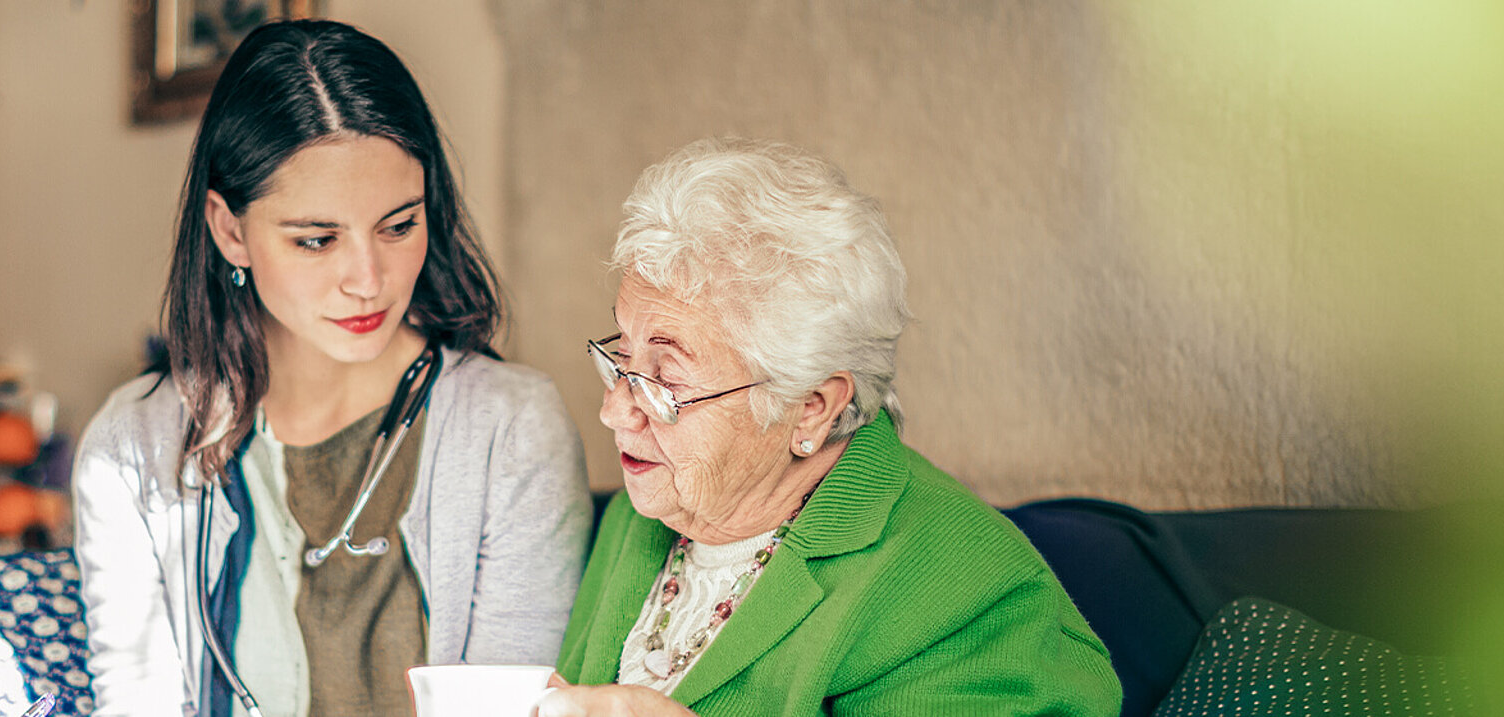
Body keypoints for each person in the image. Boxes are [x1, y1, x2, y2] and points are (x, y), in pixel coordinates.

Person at [72, 20, 591, 717]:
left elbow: (507, 709)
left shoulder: (513, 430)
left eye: (399, 225)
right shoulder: (131, 449)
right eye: (317, 240)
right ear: (231, 230)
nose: (368, 279)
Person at [535, 138, 1120, 716]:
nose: (615, 410)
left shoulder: (968, 597)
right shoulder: (645, 514)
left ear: (812, 407)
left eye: (667, 380)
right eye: (624, 358)